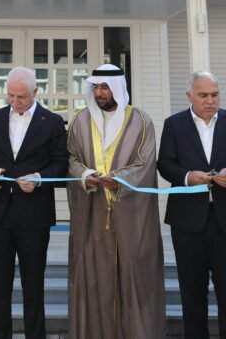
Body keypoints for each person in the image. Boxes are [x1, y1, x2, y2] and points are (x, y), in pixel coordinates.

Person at [158, 71, 226, 339]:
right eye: (203, 95)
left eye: (215, 94)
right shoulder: (174, 124)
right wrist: (187, 177)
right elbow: (165, 164)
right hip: (187, 221)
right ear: (189, 96)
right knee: (192, 291)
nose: (210, 100)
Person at [66, 64, 165, 339]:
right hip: (93, 215)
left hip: (129, 218)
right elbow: (71, 158)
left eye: (105, 87)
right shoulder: (80, 121)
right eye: (96, 87)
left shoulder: (140, 121)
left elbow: (145, 163)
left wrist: (120, 179)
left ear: (118, 88)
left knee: (132, 276)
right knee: (94, 275)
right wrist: (84, 175)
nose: (99, 93)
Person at [0, 66, 68, 339]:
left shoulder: (53, 122)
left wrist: (39, 179)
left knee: (33, 288)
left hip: (34, 218)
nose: (15, 102)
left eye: (21, 97)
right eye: (10, 95)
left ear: (35, 92)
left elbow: (61, 164)